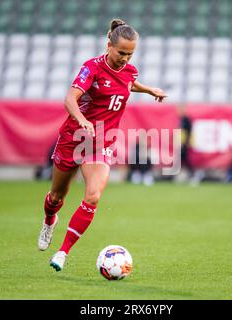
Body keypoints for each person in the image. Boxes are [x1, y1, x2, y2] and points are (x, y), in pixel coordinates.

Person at [38, 19, 167, 271]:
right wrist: (82, 120)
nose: (125, 59)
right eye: (121, 53)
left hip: (101, 144)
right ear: (109, 45)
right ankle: (49, 220)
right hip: (74, 139)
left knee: (93, 196)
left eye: (130, 54)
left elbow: (128, 83)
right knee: (56, 196)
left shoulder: (130, 72)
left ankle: (63, 252)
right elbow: (70, 98)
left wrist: (150, 90)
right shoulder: (92, 68)